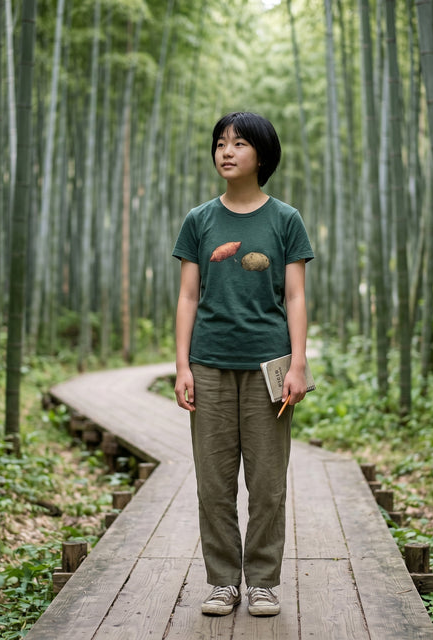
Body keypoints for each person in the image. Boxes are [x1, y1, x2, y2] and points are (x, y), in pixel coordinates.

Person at [172, 111, 314, 617]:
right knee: (213, 482)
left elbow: (294, 297)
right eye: (219, 143)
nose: (226, 151)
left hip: (268, 366)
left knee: (268, 481)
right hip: (208, 363)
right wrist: (181, 365)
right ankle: (223, 583)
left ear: (262, 153)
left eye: (238, 143)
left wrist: (299, 364)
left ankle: (262, 582)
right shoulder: (199, 220)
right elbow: (189, 296)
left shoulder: (285, 219)